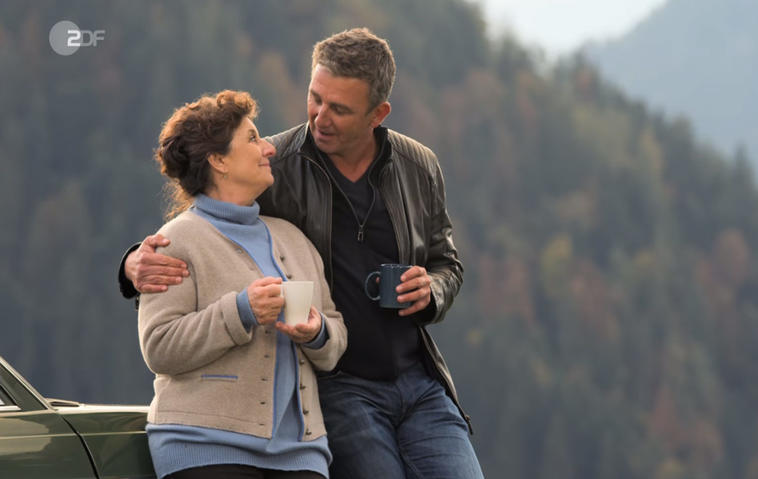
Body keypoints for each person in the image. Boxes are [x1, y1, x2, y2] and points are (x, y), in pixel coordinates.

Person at [120, 29, 483, 478]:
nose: (320, 117)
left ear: (378, 113)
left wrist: (433, 289)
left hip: (420, 381)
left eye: (340, 109)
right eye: (315, 98)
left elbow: (447, 262)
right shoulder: (278, 166)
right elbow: (211, 216)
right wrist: (132, 262)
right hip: (339, 386)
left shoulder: (418, 164)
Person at [137, 89, 347, 479]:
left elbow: (335, 335)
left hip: (302, 452)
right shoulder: (175, 241)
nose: (268, 147)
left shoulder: (293, 238)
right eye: (251, 138)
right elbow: (159, 346)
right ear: (218, 160)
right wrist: (241, 311)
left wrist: (317, 332)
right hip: (204, 445)